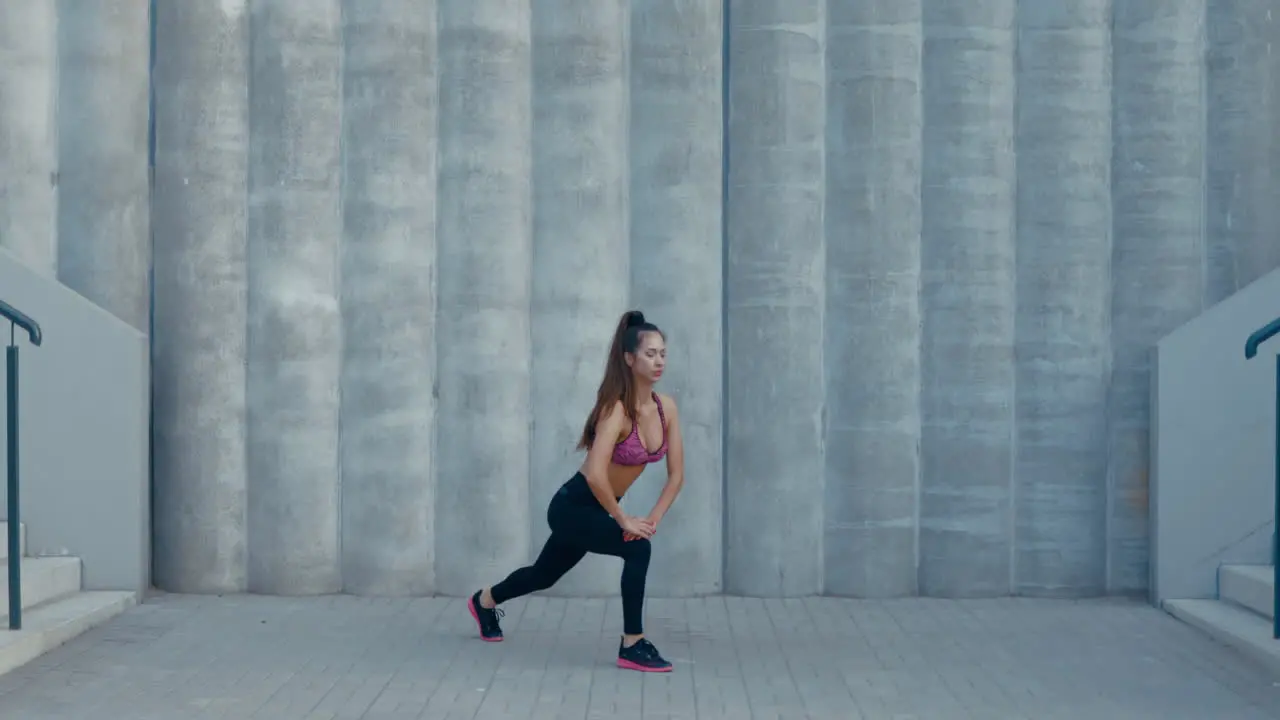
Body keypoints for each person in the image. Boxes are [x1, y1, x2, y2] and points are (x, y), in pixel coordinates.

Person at [467, 310, 685, 673]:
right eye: (650, 354)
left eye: (663, 353)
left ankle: (484, 601)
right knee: (638, 550)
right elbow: (597, 475)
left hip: (601, 508)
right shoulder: (615, 410)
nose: (659, 361)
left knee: (543, 575)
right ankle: (632, 643)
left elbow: (676, 475)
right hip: (574, 505)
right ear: (629, 360)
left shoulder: (667, 409)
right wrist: (623, 520)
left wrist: (651, 519)